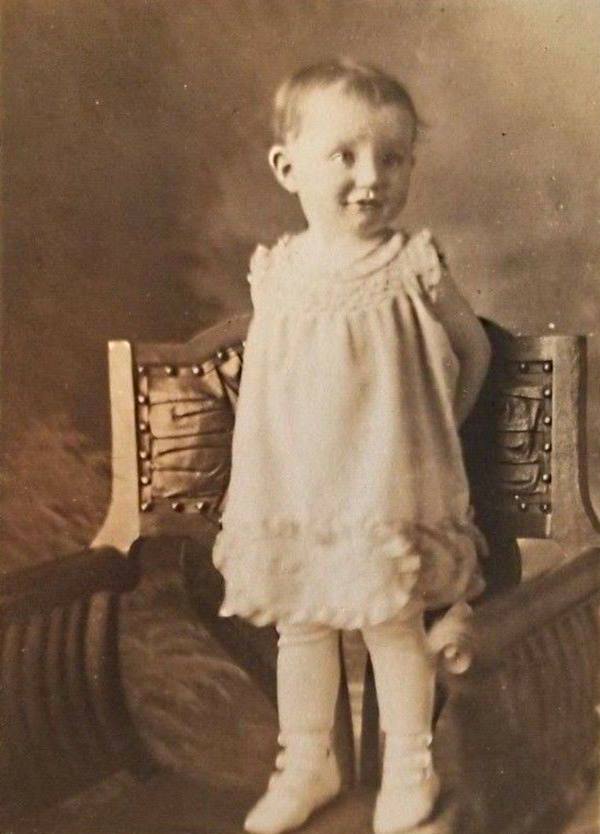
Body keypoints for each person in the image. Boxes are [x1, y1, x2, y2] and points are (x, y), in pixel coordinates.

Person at [212, 58, 491, 834]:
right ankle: (307, 761)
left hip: (384, 488)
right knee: (302, 626)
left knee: (391, 624)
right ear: (287, 165)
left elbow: (471, 352)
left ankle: (409, 765)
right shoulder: (280, 272)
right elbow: (273, 392)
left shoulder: (411, 266)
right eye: (347, 155)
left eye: (394, 158)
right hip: (300, 489)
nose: (373, 177)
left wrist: (437, 434)